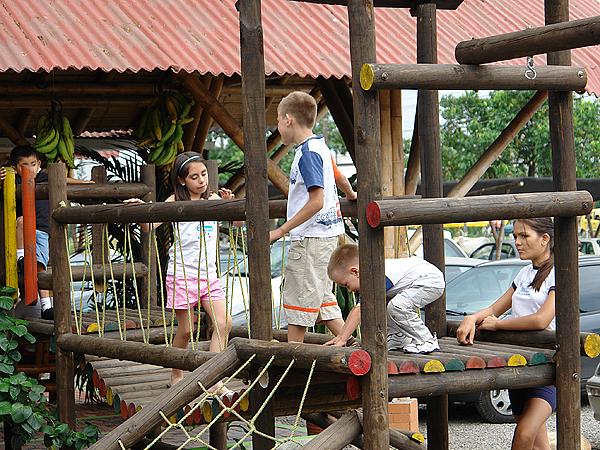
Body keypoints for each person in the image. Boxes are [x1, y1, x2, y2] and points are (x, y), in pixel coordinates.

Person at [126, 152, 235, 388]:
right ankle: (176, 373)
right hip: (183, 274)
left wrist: (231, 203)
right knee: (186, 331)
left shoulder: (214, 200)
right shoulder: (175, 201)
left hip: (209, 274)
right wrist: (140, 210)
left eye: (204, 174)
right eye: (194, 177)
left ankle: (214, 379)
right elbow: (148, 227)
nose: (201, 180)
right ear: (182, 180)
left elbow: (238, 222)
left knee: (224, 323)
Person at [456, 217, 556, 450]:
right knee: (538, 445)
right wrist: (471, 318)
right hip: (519, 365)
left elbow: (542, 319)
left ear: (545, 239)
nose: (518, 242)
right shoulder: (523, 274)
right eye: (515, 236)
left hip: (548, 365)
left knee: (523, 435)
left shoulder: (558, 272)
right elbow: (493, 309)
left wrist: (500, 325)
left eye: (524, 236)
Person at [269, 91, 356, 343]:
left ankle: (292, 358)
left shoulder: (306, 152)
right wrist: (350, 193)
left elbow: (316, 201)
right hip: (327, 236)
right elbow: (337, 174)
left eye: (277, 120)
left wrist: (280, 230)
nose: (278, 126)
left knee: (299, 299)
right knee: (320, 295)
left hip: (310, 238)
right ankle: (348, 342)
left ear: (288, 120)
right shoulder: (320, 146)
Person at [0, 145, 91, 319]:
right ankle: (21, 257)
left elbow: (63, 180)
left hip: (41, 231)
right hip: (18, 235)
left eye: (33, 164)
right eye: (24, 165)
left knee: (40, 266)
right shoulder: (12, 180)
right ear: (15, 167)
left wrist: (86, 183)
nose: (29, 168)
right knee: (21, 221)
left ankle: (46, 306)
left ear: (39, 163)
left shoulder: (44, 177)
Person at [324, 243, 445, 354]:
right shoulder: (369, 275)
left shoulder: (376, 275)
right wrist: (339, 337)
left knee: (398, 306)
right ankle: (398, 337)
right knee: (385, 303)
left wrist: (343, 339)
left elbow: (359, 311)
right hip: (418, 280)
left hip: (429, 281)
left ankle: (426, 340)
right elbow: (356, 310)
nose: (349, 290)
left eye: (346, 285)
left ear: (355, 272)